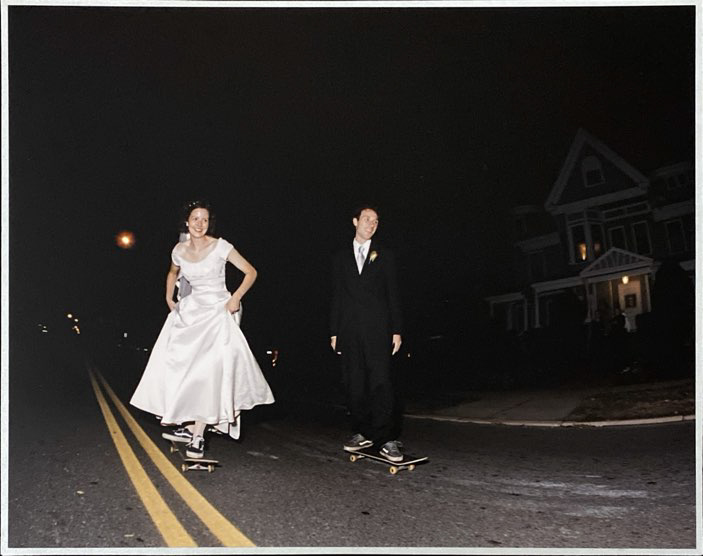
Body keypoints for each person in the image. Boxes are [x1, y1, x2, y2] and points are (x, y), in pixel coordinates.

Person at [130, 200, 274, 459]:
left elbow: (251, 272)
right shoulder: (179, 249)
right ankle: (185, 423)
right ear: (187, 221)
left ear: (209, 223)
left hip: (218, 312)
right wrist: (168, 298)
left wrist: (235, 298)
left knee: (209, 373)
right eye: (195, 218)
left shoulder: (221, 246)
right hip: (191, 312)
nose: (199, 224)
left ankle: (197, 436)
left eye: (204, 220)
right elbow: (172, 273)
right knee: (183, 368)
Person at [330, 205, 404, 462]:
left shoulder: (385, 255)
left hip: (378, 329)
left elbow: (393, 294)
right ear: (355, 221)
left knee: (381, 382)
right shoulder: (340, 257)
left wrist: (396, 329)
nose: (371, 224)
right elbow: (337, 296)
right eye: (366, 219)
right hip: (349, 330)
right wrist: (334, 331)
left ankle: (387, 439)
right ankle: (362, 432)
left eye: (375, 221)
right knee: (354, 384)